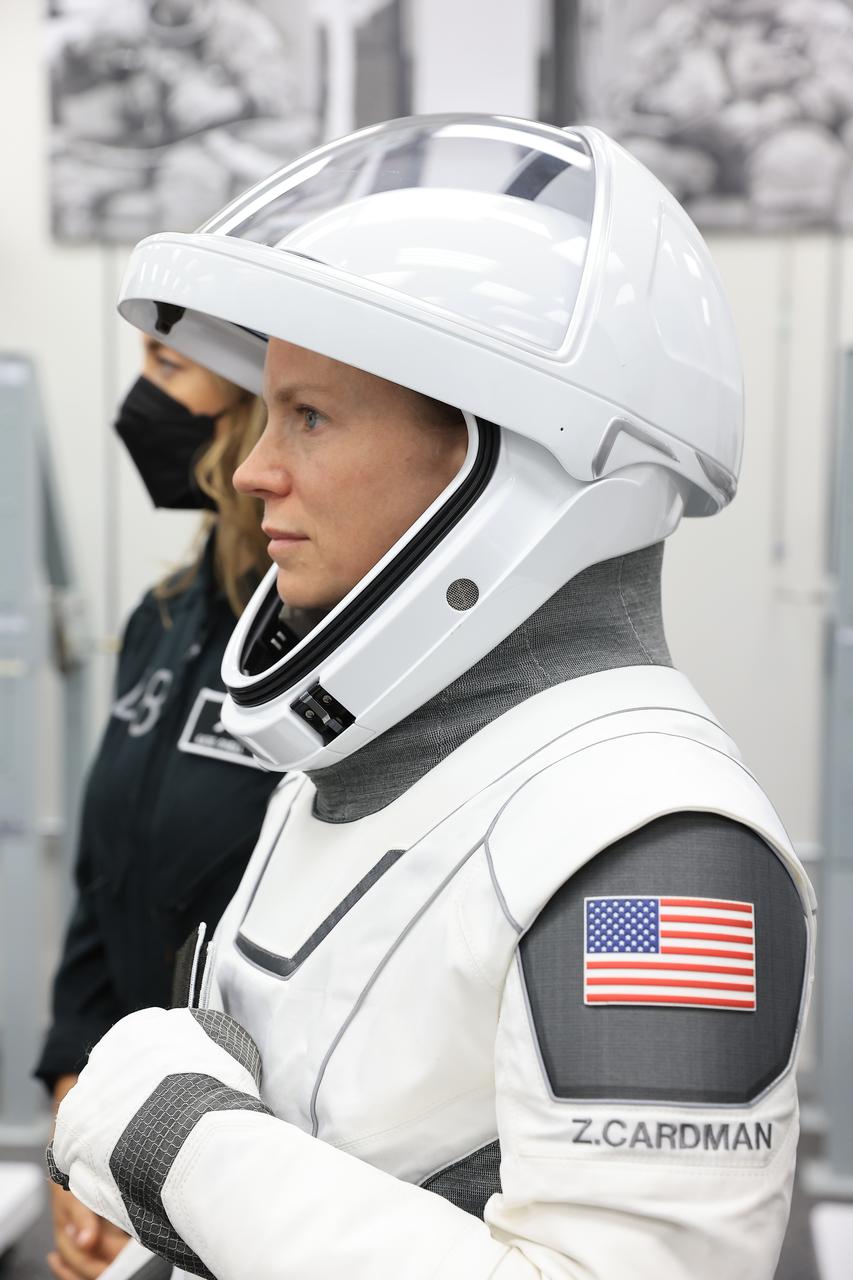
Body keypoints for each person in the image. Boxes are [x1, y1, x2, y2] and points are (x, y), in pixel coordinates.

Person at [49, 115, 815, 1280]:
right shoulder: (374, 773)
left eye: (307, 414)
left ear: (497, 462)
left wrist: (175, 1141)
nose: (252, 468)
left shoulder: (651, 849)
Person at [37, 339, 282, 1280]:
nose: (144, 395)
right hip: (125, 1151)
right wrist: (80, 1135)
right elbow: (104, 887)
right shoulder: (165, 614)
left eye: (169, 364)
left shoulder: (327, 648)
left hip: (255, 1176)